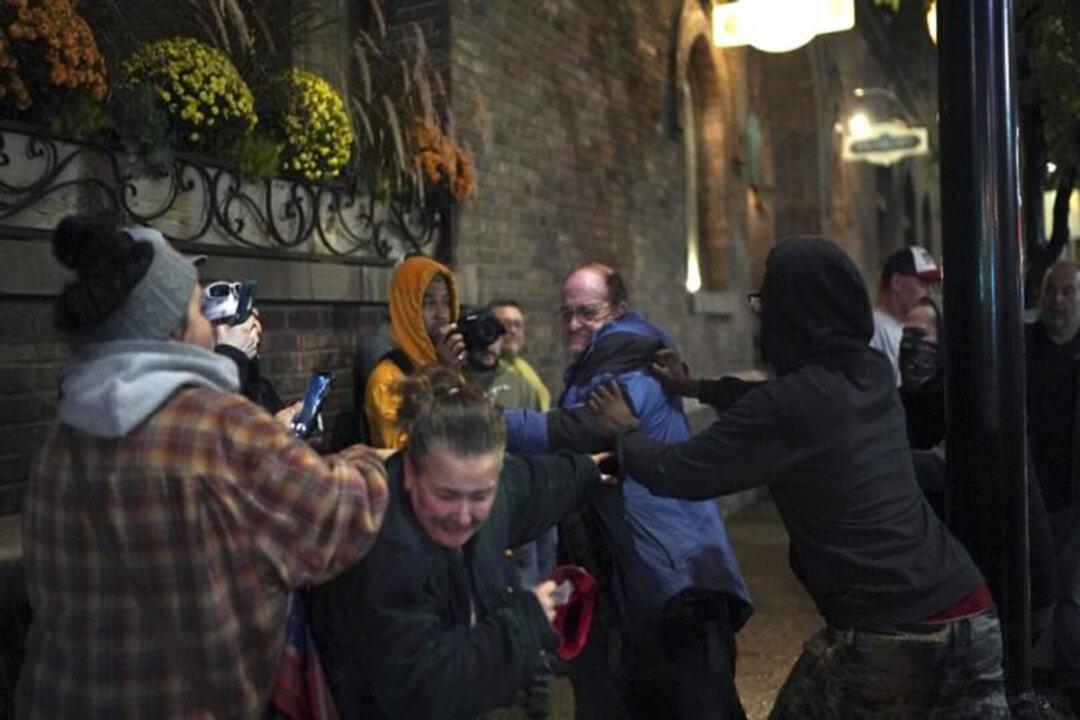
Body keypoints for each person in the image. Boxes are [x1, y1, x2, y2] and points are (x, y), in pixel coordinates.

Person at [589, 237, 1009, 719]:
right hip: (970, 609)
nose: (760, 315)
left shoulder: (789, 405)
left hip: (890, 632)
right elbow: (778, 403)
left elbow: (675, 471)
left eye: (766, 302)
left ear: (793, 312)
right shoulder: (868, 371)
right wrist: (697, 387)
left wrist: (626, 431)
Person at [17, 217, 390, 718]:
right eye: (197, 308)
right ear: (172, 328)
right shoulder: (213, 424)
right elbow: (335, 517)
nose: (211, 324)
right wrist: (370, 460)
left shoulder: (62, 440)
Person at [503, 263, 751, 720]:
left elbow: (583, 429)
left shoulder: (633, 358)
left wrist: (490, 423)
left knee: (696, 701)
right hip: (634, 576)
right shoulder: (599, 361)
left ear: (618, 309)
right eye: (568, 312)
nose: (575, 323)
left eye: (588, 311)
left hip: (673, 578)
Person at [307, 367, 610, 720]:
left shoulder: (492, 485)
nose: (464, 516)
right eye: (446, 495)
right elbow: (425, 692)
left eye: (480, 495)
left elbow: (533, 484)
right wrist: (528, 621)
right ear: (409, 472)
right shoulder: (384, 549)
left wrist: (589, 468)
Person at [1026, 261, 1080, 706]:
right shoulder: (1022, 348)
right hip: (1033, 494)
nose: (1058, 301)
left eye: (1068, 292)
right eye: (1051, 293)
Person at [364, 255, 464, 449]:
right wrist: (444, 378)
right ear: (408, 309)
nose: (441, 314)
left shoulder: (450, 364)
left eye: (446, 302)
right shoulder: (387, 379)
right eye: (429, 303)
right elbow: (405, 451)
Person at [870, 245, 941, 385]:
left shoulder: (911, 327)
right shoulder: (872, 329)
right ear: (896, 282)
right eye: (923, 284)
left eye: (931, 285)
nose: (930, 292)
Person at [490, 299, 552, 411]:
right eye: (506, 324)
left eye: (518, 325)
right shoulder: (485, 372)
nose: (513, 331)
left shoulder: (525, 368)